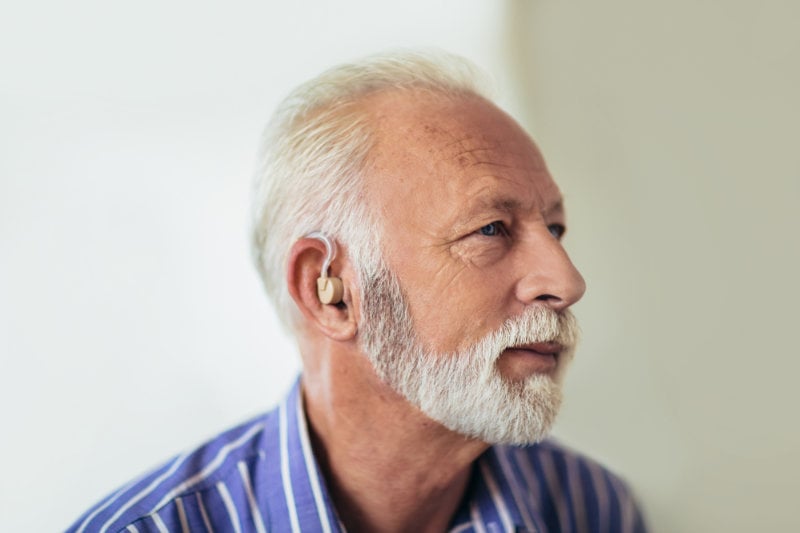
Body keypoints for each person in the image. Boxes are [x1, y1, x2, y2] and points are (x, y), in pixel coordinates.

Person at [68, 50, 647, 533]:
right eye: (490, 229)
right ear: (332, 293)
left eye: (555, 228)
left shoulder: (591, 510)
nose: (567, 282)